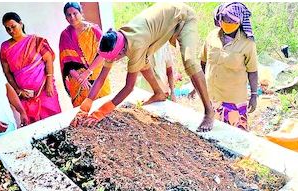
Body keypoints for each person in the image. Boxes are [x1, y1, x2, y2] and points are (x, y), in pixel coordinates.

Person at [71, 2, 215, 132]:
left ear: (120, 52)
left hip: (182, 17)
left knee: (189, 61)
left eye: (111, 59)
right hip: (163, 20)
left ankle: (209, 111)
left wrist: (101, 112)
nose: (109, 62)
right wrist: (85, 107)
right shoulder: (114, 40)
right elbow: (101, 78)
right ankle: (159, 93)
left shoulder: (135, 45)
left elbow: (129, 87)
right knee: (143, 62)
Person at [200, 2, 258, 131]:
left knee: (235, 136)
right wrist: (199, 86)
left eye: (231, 21)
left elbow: (252, 71)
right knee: (212, 136)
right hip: (212, 96)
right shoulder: (212, 37)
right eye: (225, 19)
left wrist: (254, 95)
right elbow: (203, 62)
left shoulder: (247, 43)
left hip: (234, 99)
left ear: (240, 22)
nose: (227, 23)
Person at [0, 12, 61, 123]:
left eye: (13, 26)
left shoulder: (36, 41)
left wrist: (49, 84)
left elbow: (48, 61)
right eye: (7, 29)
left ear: (21, 24)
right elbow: (7, 72)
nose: (11, 31)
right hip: (25, 95)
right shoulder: (5, 47)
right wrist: (18, 91)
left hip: (45, 89)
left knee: (54, 121)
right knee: (34, 127)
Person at [59, 2, 111, 107]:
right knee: (83, 112)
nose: (72, 17)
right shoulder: (65, 35)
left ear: (81, 13)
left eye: (75, 13)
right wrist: (79, 78)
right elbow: (66, 63)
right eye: (69, 15)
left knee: (103, 108)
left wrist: (87, 72)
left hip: (98, 75)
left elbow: (103, 53)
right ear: (66, 18)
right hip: (77, 81)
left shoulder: (93, 30)